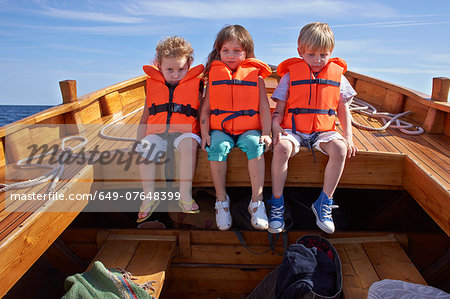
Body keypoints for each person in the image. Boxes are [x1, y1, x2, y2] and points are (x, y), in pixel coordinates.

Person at [270, 22, 358, 234]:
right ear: (300, 50)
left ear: (331, 52)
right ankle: (276, 203)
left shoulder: (339, 77)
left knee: (340, 150)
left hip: (323, 130)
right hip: (293, 129)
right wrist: (275, 127)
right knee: (281, 148)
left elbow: (343, 110)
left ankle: (324, 202)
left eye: (323, 55)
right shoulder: (290, 76)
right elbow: (279, 109)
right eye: (311, 55)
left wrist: (348, 138)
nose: (317, 60)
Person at [200, 25, 272, 231]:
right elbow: (205, 110)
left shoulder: (256, 77)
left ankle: (256, 202)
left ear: (246, 52)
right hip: (221, 129)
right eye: (225, 51)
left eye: (237, 51)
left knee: (255, 145)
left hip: (248, 129)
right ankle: (221, 201)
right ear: (218, 51)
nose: (231, 56)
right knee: (216, 147)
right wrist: (205, 134)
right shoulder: (213, 77)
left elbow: (264, 108)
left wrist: (266, 133)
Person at [136, 36, 204, 223]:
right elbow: (145, 117)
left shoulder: (195, 86)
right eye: (170, 70)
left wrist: (206, 137)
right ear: (159, 66)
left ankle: (184, 195)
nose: (176, 75)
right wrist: (138, 141)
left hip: (185, 133)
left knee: (189, 144)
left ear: (189, 65)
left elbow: (204, 114)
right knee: (145, 147)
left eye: (181, 69)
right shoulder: (152, 87)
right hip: (157, 134)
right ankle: (149, 195)